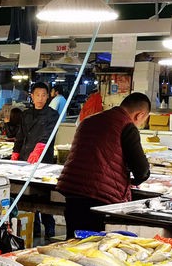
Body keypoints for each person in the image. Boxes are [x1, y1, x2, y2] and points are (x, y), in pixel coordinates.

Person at [56, 92, 152, 237]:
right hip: (99, 197)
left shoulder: (89, 120)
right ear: (139, 115)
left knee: (73, 241)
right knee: (92, 246)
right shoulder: (126, 126)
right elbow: (142, 170)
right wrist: (134, 181)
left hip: (72, 192)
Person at [14, 82, 60, 238]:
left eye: (43, 95)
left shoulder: (53, 115)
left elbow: (47, 134)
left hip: (43, 160)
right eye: (37, 95)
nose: (40, 98)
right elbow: (20, 136)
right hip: (25, 159)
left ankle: (49, 228)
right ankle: (34, 229)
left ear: (48, 96)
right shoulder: (26, 114)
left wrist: (38, 150)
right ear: (31, 96)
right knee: (28, 196)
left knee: (42, 194)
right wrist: (15, 154)